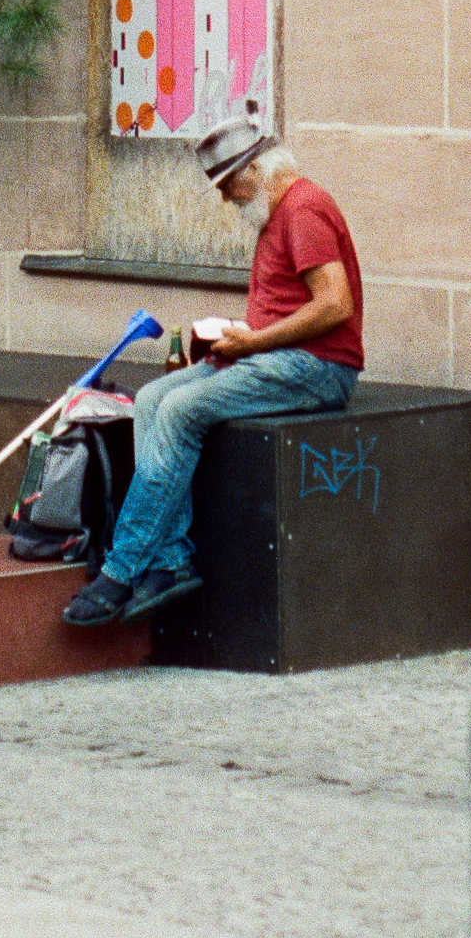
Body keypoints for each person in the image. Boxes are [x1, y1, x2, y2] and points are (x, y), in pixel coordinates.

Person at [63, 108, 364, 626]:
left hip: (317, 368)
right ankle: (171, 562)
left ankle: (122, 567)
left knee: (179, 411)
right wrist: (234, 341)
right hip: (274, 356)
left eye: (228, 186)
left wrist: (253, 343)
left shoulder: (304, 208)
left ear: (255, 169)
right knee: (155, 399)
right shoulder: (280, 212)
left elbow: (335, 305)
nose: (228, 200)